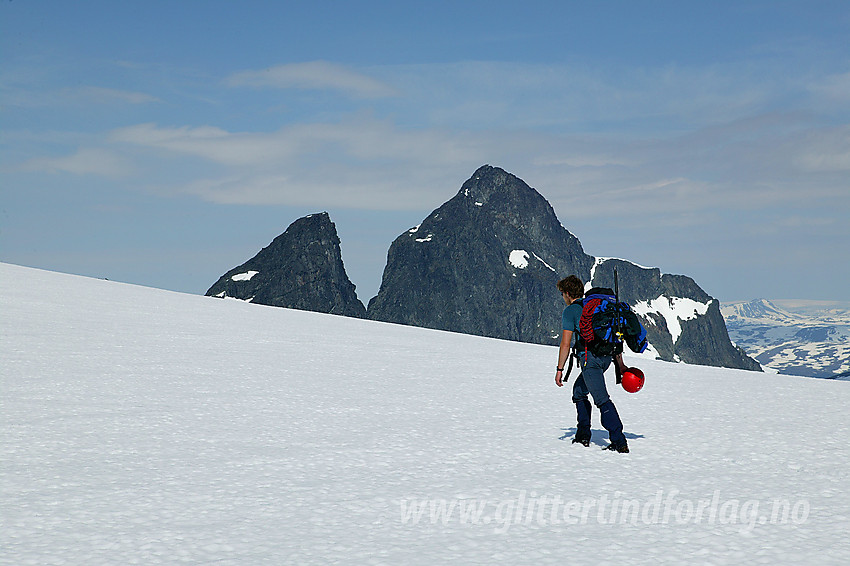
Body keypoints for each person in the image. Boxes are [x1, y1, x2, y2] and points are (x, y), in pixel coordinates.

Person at [555, 275, 630, 453]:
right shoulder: (597, 307)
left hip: (590, 361)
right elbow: (615, 338)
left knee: (602, 400)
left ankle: (619, 442)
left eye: (562, 295)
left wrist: (560, 369)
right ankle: (583, 435)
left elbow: (565, 344)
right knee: (579, 391)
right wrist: (620, 365)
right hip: (605, 359)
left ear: (566, 293)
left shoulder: (571, 311)